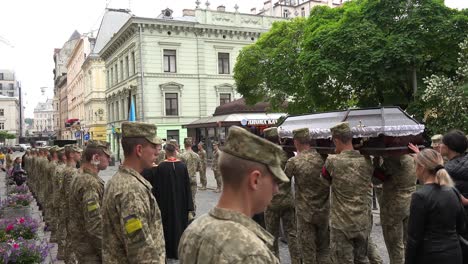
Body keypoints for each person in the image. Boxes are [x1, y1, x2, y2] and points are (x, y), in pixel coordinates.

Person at [178, 126, 289, 264]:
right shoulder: (253, 253)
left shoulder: (192, 232)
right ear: (255, 180)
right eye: (275, 180)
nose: (277, 189)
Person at [102, 121, 166, 263]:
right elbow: (142, 254)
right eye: (153, 146)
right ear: (139, 150)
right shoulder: (132, 191)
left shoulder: (119, 180)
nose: (157, 151)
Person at [321, 122, 373, 264]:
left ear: (336, 140)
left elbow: (324, 180)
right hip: (362, 222)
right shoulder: (367, 160)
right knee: (362, 259)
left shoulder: (332, 161)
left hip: (341, 224)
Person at [405, 148, 465, 264]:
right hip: (454, 253)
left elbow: (414, 237)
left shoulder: (420, 196)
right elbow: (461, 225)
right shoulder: (453, 191)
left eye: (415, 165)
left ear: (421, 168)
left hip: (430, 256)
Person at [286, 127, 330, 264]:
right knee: (324, 250)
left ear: (296, 142)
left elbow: (283, 180)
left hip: (305, 215)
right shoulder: (324, 158)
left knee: (308, 251)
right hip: (324, 211)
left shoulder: (294, 162)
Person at [143, 143, 194, 259]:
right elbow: (187, 186)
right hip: (181, 203)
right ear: (175, 151)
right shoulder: (182, 166)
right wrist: (189, 205)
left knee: (168, 227)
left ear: (165, 152)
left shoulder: (161, 167)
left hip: (166, 204)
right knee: (181, 226)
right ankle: (180, 250)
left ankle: (169, 251)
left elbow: (155, 185)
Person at [263, 127, 301, 264]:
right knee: (292, 233)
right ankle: (297, 260)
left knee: (272, 236)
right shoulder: (288, 154)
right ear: (278, 138)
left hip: (271, 201)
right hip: (288, 199)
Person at [68, 141, 111, 263]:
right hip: (90, 251)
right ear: (95, 158)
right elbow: (94, 224)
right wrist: (108, 253)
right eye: (106, 156)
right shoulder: (90, 182)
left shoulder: (81, 175)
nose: (110, 158)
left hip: (82, 244)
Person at [374, 155, 416, 264]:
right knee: (407, 242)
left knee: (395, 245)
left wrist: (376, 160)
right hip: (411, 201)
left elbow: (376, 180)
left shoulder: (392, 160)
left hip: (393, 205)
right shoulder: (412, 158)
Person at [441, 129, 468, 197]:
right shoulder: (464, 161)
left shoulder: (448, 170)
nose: (439, 145)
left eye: (442, 143)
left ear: (447, 147)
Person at [180, 138, 201, 212]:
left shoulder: (182, 156)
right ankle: (193, 212)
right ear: (191, 144)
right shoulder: (197, 155)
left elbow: (180, 169)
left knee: (185, 197)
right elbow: (199, 168)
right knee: (192, 198)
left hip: (185, 179)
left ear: (184, 144)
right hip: (193, 179)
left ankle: (186, 213)